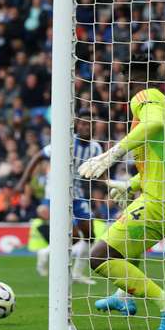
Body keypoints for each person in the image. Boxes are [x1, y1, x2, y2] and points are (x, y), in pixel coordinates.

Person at [79, 54, 165, 330]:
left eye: (119, 76)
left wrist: (112, 153)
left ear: (129, 77)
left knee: (99, 258)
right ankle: (124, 295)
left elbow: (152, 125)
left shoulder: (144, 97)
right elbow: (164, 160)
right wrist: (130, 185)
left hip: (164, 203)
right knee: (125, 237)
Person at [16, 110, 101, 284]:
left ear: (94, 126)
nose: (86, 126)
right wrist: (24, 181)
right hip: (57, 190)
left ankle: (72, 270)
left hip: (77, 192)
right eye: (83, 123)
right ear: (77, 125)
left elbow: (98, 171)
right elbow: (39, 156)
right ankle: (49, 255)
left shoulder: (96, 147)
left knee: (89, 235)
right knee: (70, 233)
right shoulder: (66, 141)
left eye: (89, 123)